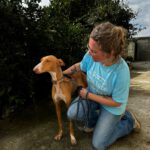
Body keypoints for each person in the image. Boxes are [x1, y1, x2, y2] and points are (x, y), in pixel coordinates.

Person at [63, 22, 141, 150]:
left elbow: (116, 102)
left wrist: (88, 95)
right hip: (93, 96)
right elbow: (79, 66)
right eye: (89, 48)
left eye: (93, 51)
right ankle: (95, 123)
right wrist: (61, 74)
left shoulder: (121, 71)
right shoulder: (90, 56)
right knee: (72, 113)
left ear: (109, 53)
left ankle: (129, 122)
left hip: (112, 106)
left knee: (98, 144)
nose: (89, 53)